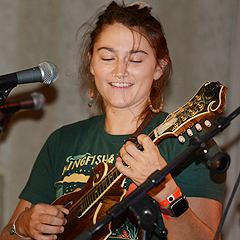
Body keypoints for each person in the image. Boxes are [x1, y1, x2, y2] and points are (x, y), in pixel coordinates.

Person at [0, 1, 225, 240]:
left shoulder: (189, 145)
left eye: (135, 60)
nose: (120, 70)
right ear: (92, 63)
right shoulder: (62, 142)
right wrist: (22, 227)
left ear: (159, 67)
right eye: (108, 58)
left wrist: (166, 190)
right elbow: (7, 235)